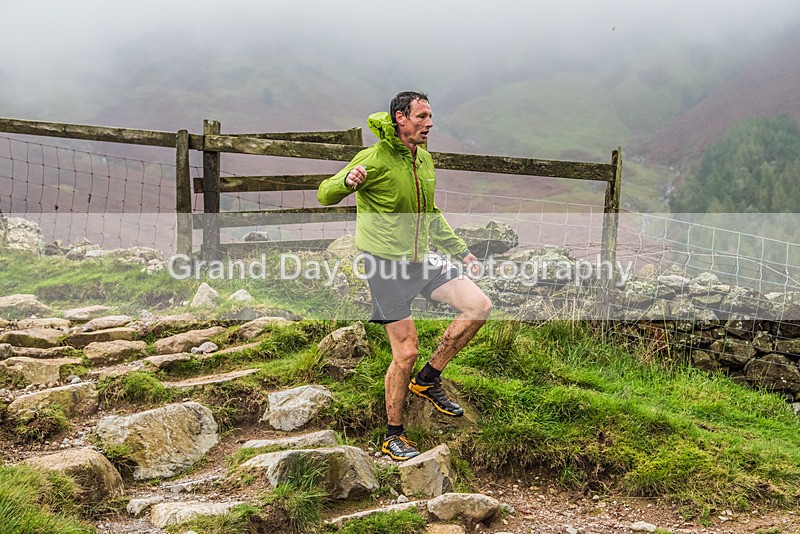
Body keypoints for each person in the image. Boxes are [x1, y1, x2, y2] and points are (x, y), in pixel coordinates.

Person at [318, 91, 492, 460]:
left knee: (478, 306)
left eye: (430, 117)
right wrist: (348, 181)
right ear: (400, 118)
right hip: (384, 266)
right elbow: (324, 193)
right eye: (422, 117)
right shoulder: (375, 158)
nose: (429, 124)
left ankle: (428, 380)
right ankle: (392, 434)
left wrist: (460, 250)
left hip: (421, 261)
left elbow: (430, 213)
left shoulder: (424, 159)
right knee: (406, 350)